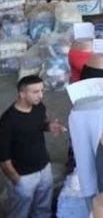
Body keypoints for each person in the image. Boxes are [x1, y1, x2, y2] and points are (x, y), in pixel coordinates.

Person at [0, 75, 64, 218]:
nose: (40, 95)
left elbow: (40, 124)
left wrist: (50, 126)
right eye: (35, 92)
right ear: (22, 94)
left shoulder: (39, 107)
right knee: (20, 212)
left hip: (44, 168)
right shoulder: (7, 121)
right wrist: (16, 180)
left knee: (43, 209)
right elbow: (3, 158)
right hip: (23, 176)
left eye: (42, 91)